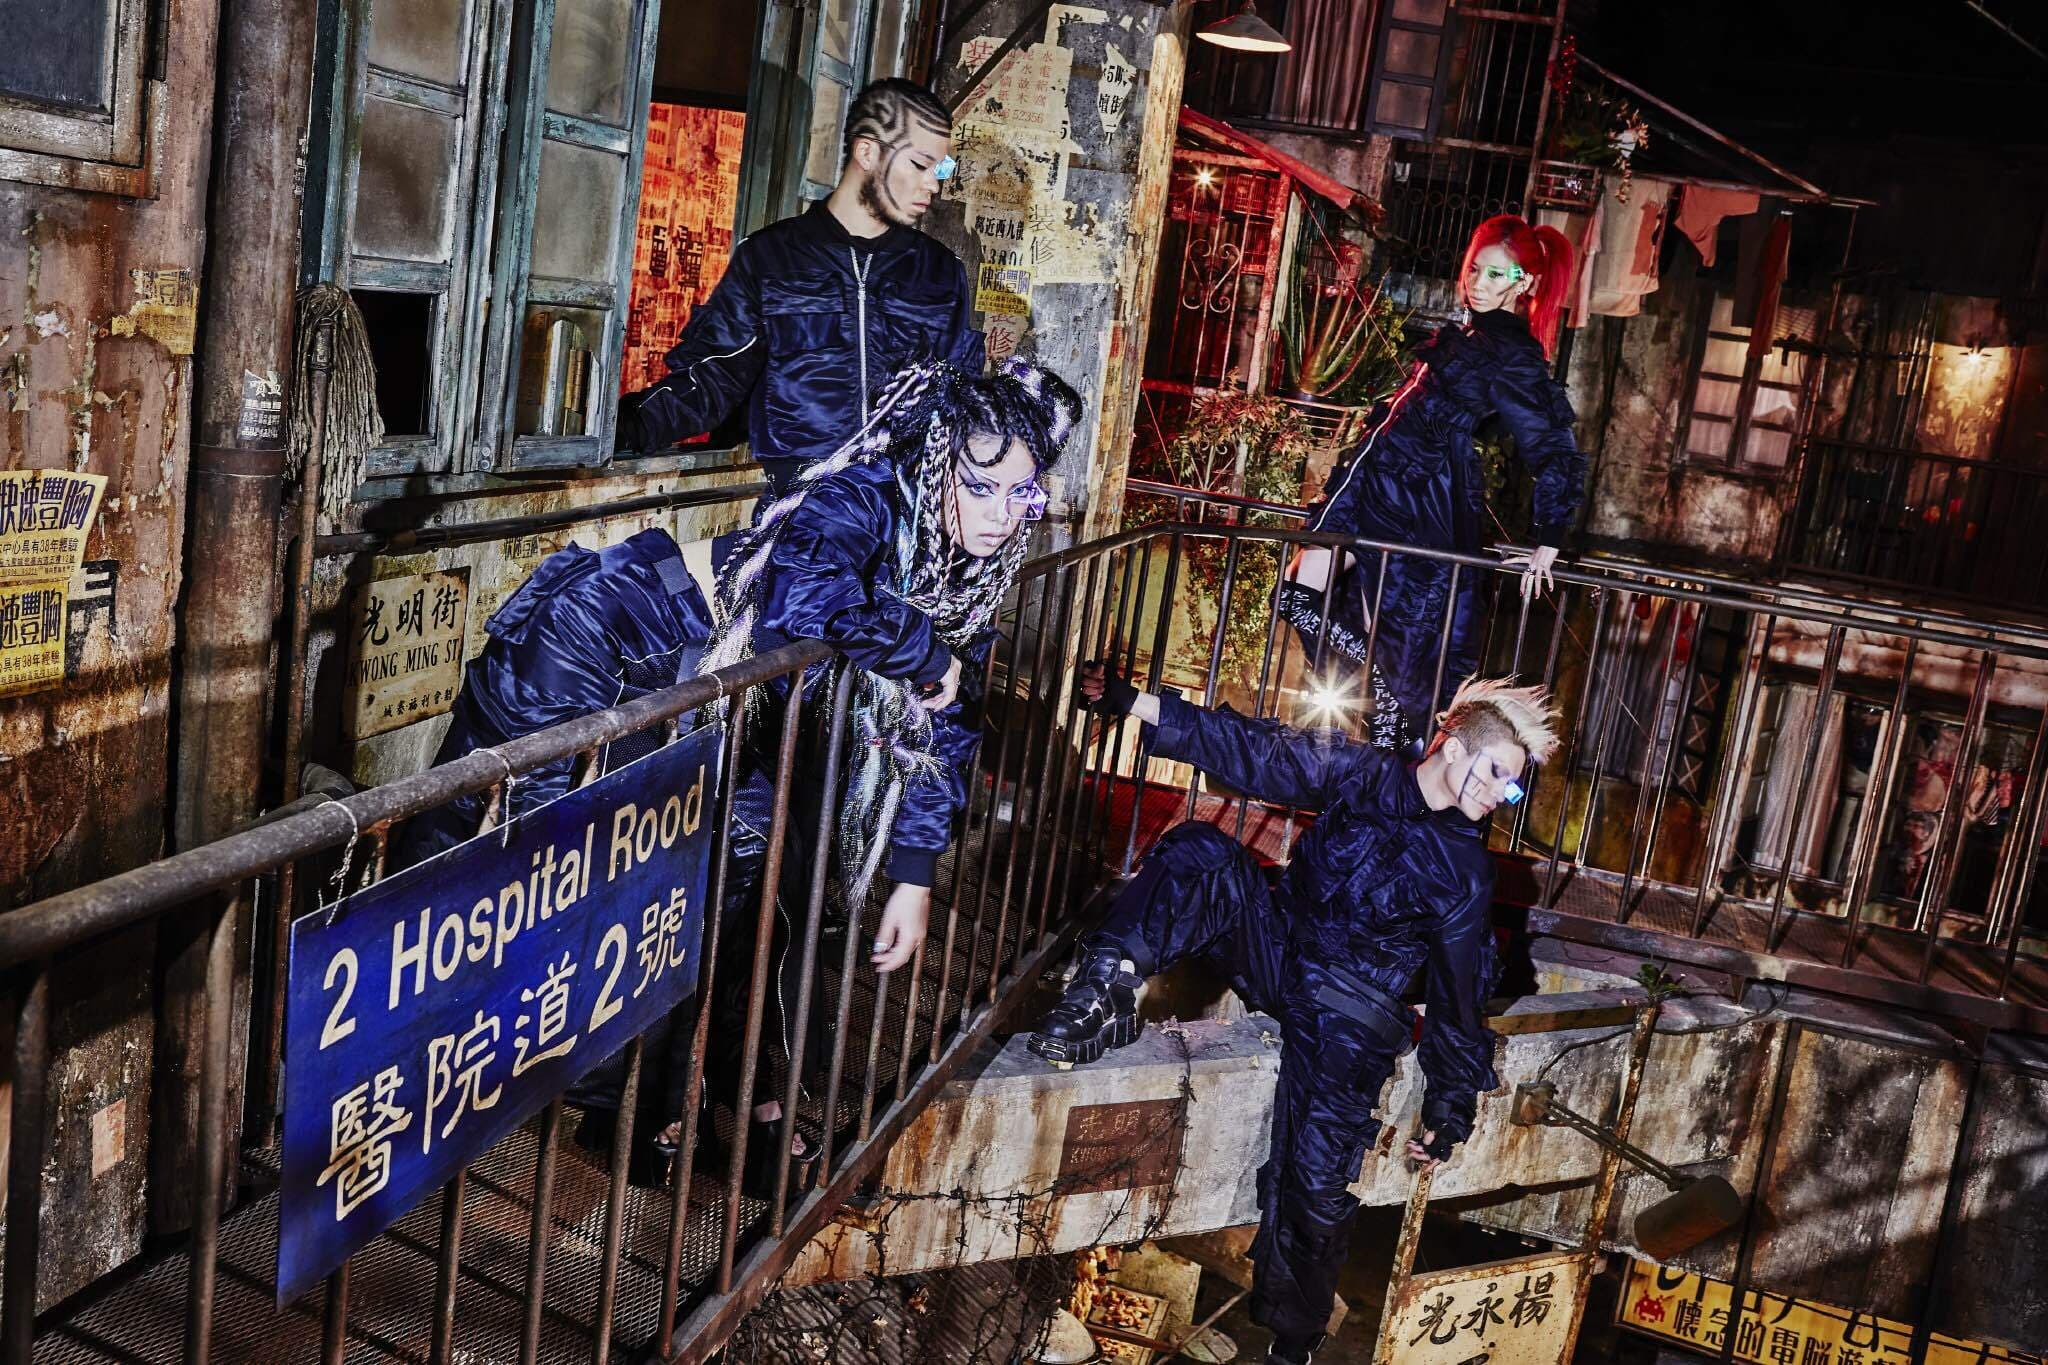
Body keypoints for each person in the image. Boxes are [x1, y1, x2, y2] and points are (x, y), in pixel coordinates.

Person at [399, 357, 1082, 1186]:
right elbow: (809, 597)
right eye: (982, 487)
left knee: (735, 880)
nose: (1004, 516)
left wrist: (912, 873)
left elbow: (946, 720)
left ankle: (653, 1096)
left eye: (1022, 494)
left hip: (721, 693)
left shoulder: (963, 570)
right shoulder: (864, 496)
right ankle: (399, 1077)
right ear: (938, 463)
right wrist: (922, 652)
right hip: (610, 635)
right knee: (508, 856)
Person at [1030, 671, 1560, 1365]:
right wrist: (1137, 703)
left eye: (1513, 786)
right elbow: (1258, 751)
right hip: (1282, 954)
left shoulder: (1465, 872)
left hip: (1350, 1015)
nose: (1500, 794)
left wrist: (1448, 1107)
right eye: (1496, 773)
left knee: (1311, 1185)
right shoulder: (1365, 776)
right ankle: (1107, 984)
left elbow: (1460, 999)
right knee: (1202, 853)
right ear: (1454, 746)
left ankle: (1293, 1346)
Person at [1282, 215, 1587, 753]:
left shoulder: (1512, 353)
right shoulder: (1470, 334)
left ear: (1524, 284)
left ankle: (1391, 734)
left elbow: (1552, 443)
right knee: (1298, 594)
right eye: (1475, 269)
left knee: (1396, 645)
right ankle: (1384, 717)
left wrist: (1549, 539)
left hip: (1417, 501)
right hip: (1370, 485)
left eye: (1496, 274)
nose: (1479, 283)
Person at [616, 78, 985, 491]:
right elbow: (713, 380)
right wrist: (619, 427)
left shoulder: (940, 272)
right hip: (798, 507)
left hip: (903, 509)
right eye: (919, 165)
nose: (933, 184)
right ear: (867, 152)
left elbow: (960, 397)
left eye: (941, 169)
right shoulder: (771, 258)